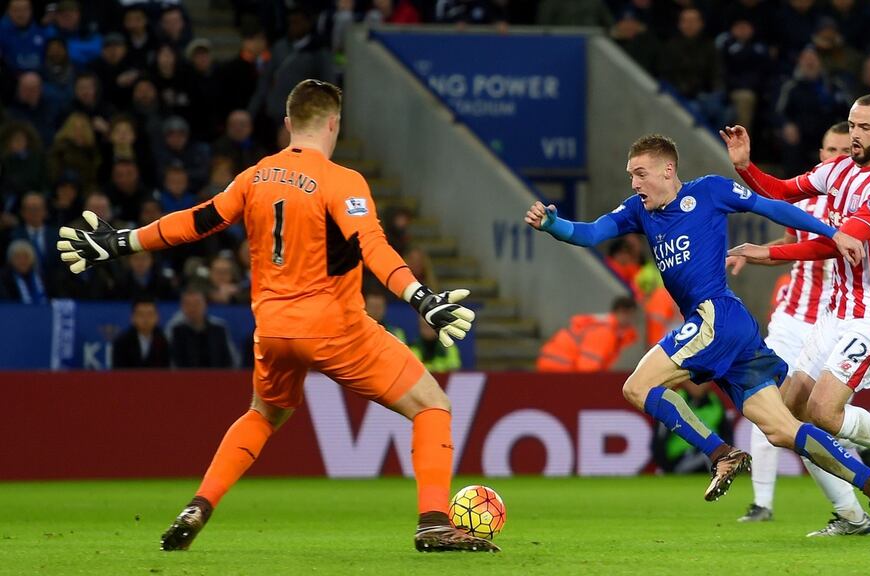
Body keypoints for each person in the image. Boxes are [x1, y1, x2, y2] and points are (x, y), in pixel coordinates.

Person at [56, 79, 496, 553]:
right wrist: (421, 298)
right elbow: (372, 246)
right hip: (336, 329)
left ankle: (199, 504)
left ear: (288, 124)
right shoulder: (342, 180)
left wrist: (121, 241)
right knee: (433, 406)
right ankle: (433, 521)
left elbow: (196, 221)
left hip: (273, 330)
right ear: (334, 124)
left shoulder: (255, 176)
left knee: (263, 414)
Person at [525, 133, 870, 537]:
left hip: (715, 316)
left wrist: (833, 233)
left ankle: (722, 454)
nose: (634, 184)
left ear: (668, 170)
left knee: (637, 387)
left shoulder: (709, 191)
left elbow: (773, 207)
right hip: (728, 327)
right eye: (630, 175)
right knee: (780, 429)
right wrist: (553, 225)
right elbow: (591, 233)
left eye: (640, 174)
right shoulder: (639, 211)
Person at [722, 94, 870, 514]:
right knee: (787, 412)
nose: (855, 135)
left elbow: (834, 245)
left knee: (823, 410)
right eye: (852, 126)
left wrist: (765, 253)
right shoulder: (837, 170)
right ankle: (849, 512)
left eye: (865, 128)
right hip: (836, 312)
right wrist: (745, 166)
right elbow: (782, 192)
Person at [536, 296, 639, 372]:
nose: (632, 320)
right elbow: (588, 368)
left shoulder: (606, 328)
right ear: (622, 312)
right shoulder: (604, 332)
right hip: (559, 367)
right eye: (631, 314)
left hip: (555, 364)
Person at [112, 297, 171, 368]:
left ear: (157, 317)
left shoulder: (164, 340)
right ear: (132, 318)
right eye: (141, 315)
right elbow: (118, 373)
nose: (146, 319)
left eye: (150, 314)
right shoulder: (122, 341)